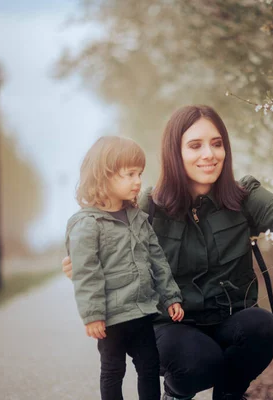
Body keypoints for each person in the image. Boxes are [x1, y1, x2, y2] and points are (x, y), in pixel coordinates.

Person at [63, 105, 273, 400]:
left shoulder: (244, 196)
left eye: (217, 144)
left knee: (263, 327)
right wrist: (85, 262)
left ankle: (229, 395)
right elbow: (102, 231)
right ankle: (176, 393)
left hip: (230, 317)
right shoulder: (147, 206)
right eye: (195, 145)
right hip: (170, 326)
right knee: (199, 363)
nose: (209, 154)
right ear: (174, 153)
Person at [65, 136, 184, 400]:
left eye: (139, 173)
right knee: (112, 370)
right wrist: (93, 314)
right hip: (111, 318)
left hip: (141, 311)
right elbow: (87, 272)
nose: (138, 181)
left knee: (149, 366)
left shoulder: (139, 219)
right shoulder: (88, 224)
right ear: (103, 176)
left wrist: (170, 297)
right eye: (130, 174)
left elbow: (158, 261)